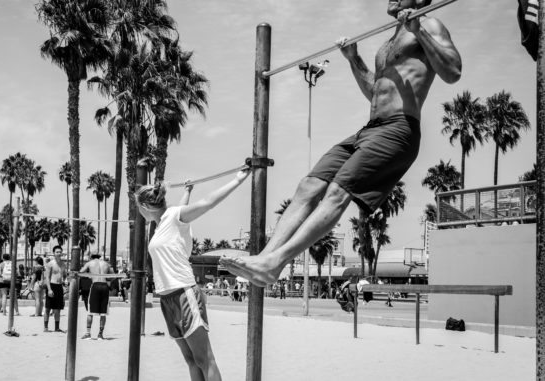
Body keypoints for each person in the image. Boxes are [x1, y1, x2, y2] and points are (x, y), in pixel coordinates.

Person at [221, 0, 461, 286]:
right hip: (370, 129)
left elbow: (453, 72)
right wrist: (353, 59)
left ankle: (276, 263)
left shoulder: (429, 24)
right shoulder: (388, 42)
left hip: (399, 129)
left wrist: (419, 30)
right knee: (308, 186)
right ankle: (264, 258)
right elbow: (376, 92)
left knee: (338, 190)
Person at [135, 168, 250, 381]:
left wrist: (237, 180)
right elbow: (179, 211)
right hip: (167, 298)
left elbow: (207, 203)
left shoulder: (174, 216)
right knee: (190, 359)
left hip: (184, 293)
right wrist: (188, 190)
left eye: (138, 208)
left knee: (204, 359)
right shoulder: (161, 224)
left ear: (144, 207)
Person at [75, 253, 114, 340]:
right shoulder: (106, 264)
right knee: (103, 313)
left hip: (95, 285)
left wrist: (89, 275)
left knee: (90, 311)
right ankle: (100, 334)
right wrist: (107, 279)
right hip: (104, 286)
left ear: (91, 257)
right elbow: (113, 275)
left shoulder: (90, 263)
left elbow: (80, 272)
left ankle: (88, 333)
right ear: (99, 257)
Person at [44, 246, 66, 333]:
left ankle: (57, 327)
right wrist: (49, 289)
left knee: (58, 308)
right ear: (54, 253)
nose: (59, 253)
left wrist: (65, 280)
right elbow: (47, 278)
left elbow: (64, 275)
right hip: (51, 286)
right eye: (57, 252)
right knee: (48, 308)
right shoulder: (50, 264)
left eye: (60, 252)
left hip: (59, 286)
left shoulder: (63, 264)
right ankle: (46, 327)